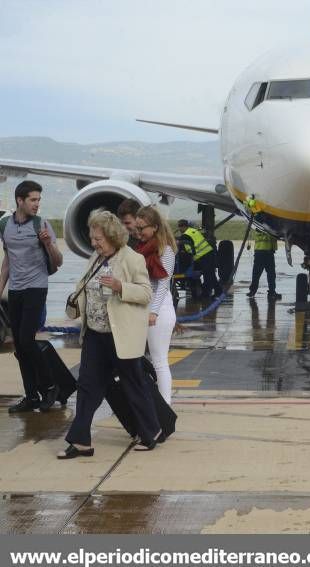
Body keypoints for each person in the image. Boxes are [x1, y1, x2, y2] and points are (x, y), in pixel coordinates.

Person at [58, 211, 161, 458]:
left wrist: (120, 287)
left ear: (113, 237)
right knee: (87, 386)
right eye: (93, 239)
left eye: (98, 239)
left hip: (120, 336)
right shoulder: (96, 257)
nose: (94, 244)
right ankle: (81, 440)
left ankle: (151, 431)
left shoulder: (132, 259)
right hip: (95, 334)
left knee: (132, 384)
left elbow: (146, 293)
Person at [0, 180, 64, 413]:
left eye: (39, 200)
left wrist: (48, 244)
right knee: (19, 346)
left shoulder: (41, 224)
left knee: (27, 340)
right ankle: (31, 396)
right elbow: (8, 260)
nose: (37, 204)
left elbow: (58, 262)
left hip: (36, 288)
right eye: (33, 200)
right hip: (15, 290)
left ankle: (50, 386)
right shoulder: (4, 225)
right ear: (20, 200)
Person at [135, 206, 177, 405]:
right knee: (147, 360)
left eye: (142, 228)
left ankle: (166, 405)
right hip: (144, 307)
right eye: (137, 227)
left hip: (159, 309)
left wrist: (153, 312)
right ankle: (153, 403)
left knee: (159, 361)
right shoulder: (142, 249)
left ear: (154, 227)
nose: (138, 232)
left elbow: (163, 283)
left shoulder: (165, 250)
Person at [177, 219, 221, 298]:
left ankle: (207, 294)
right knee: (210, 275)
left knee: (208, 275)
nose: (179, 229)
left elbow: (184, 248)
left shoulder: (185, 235)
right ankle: (215, 292)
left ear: (183, 226)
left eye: (180, 227)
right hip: (208, 254)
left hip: (203, 256)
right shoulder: (193, 230)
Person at [247, 232, 281, 301]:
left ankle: (252, 291)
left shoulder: (258, 228)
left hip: (260, 252)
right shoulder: (271, 227)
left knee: (256, 274)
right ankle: (272, 292)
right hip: (267, 252)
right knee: (271, 274)